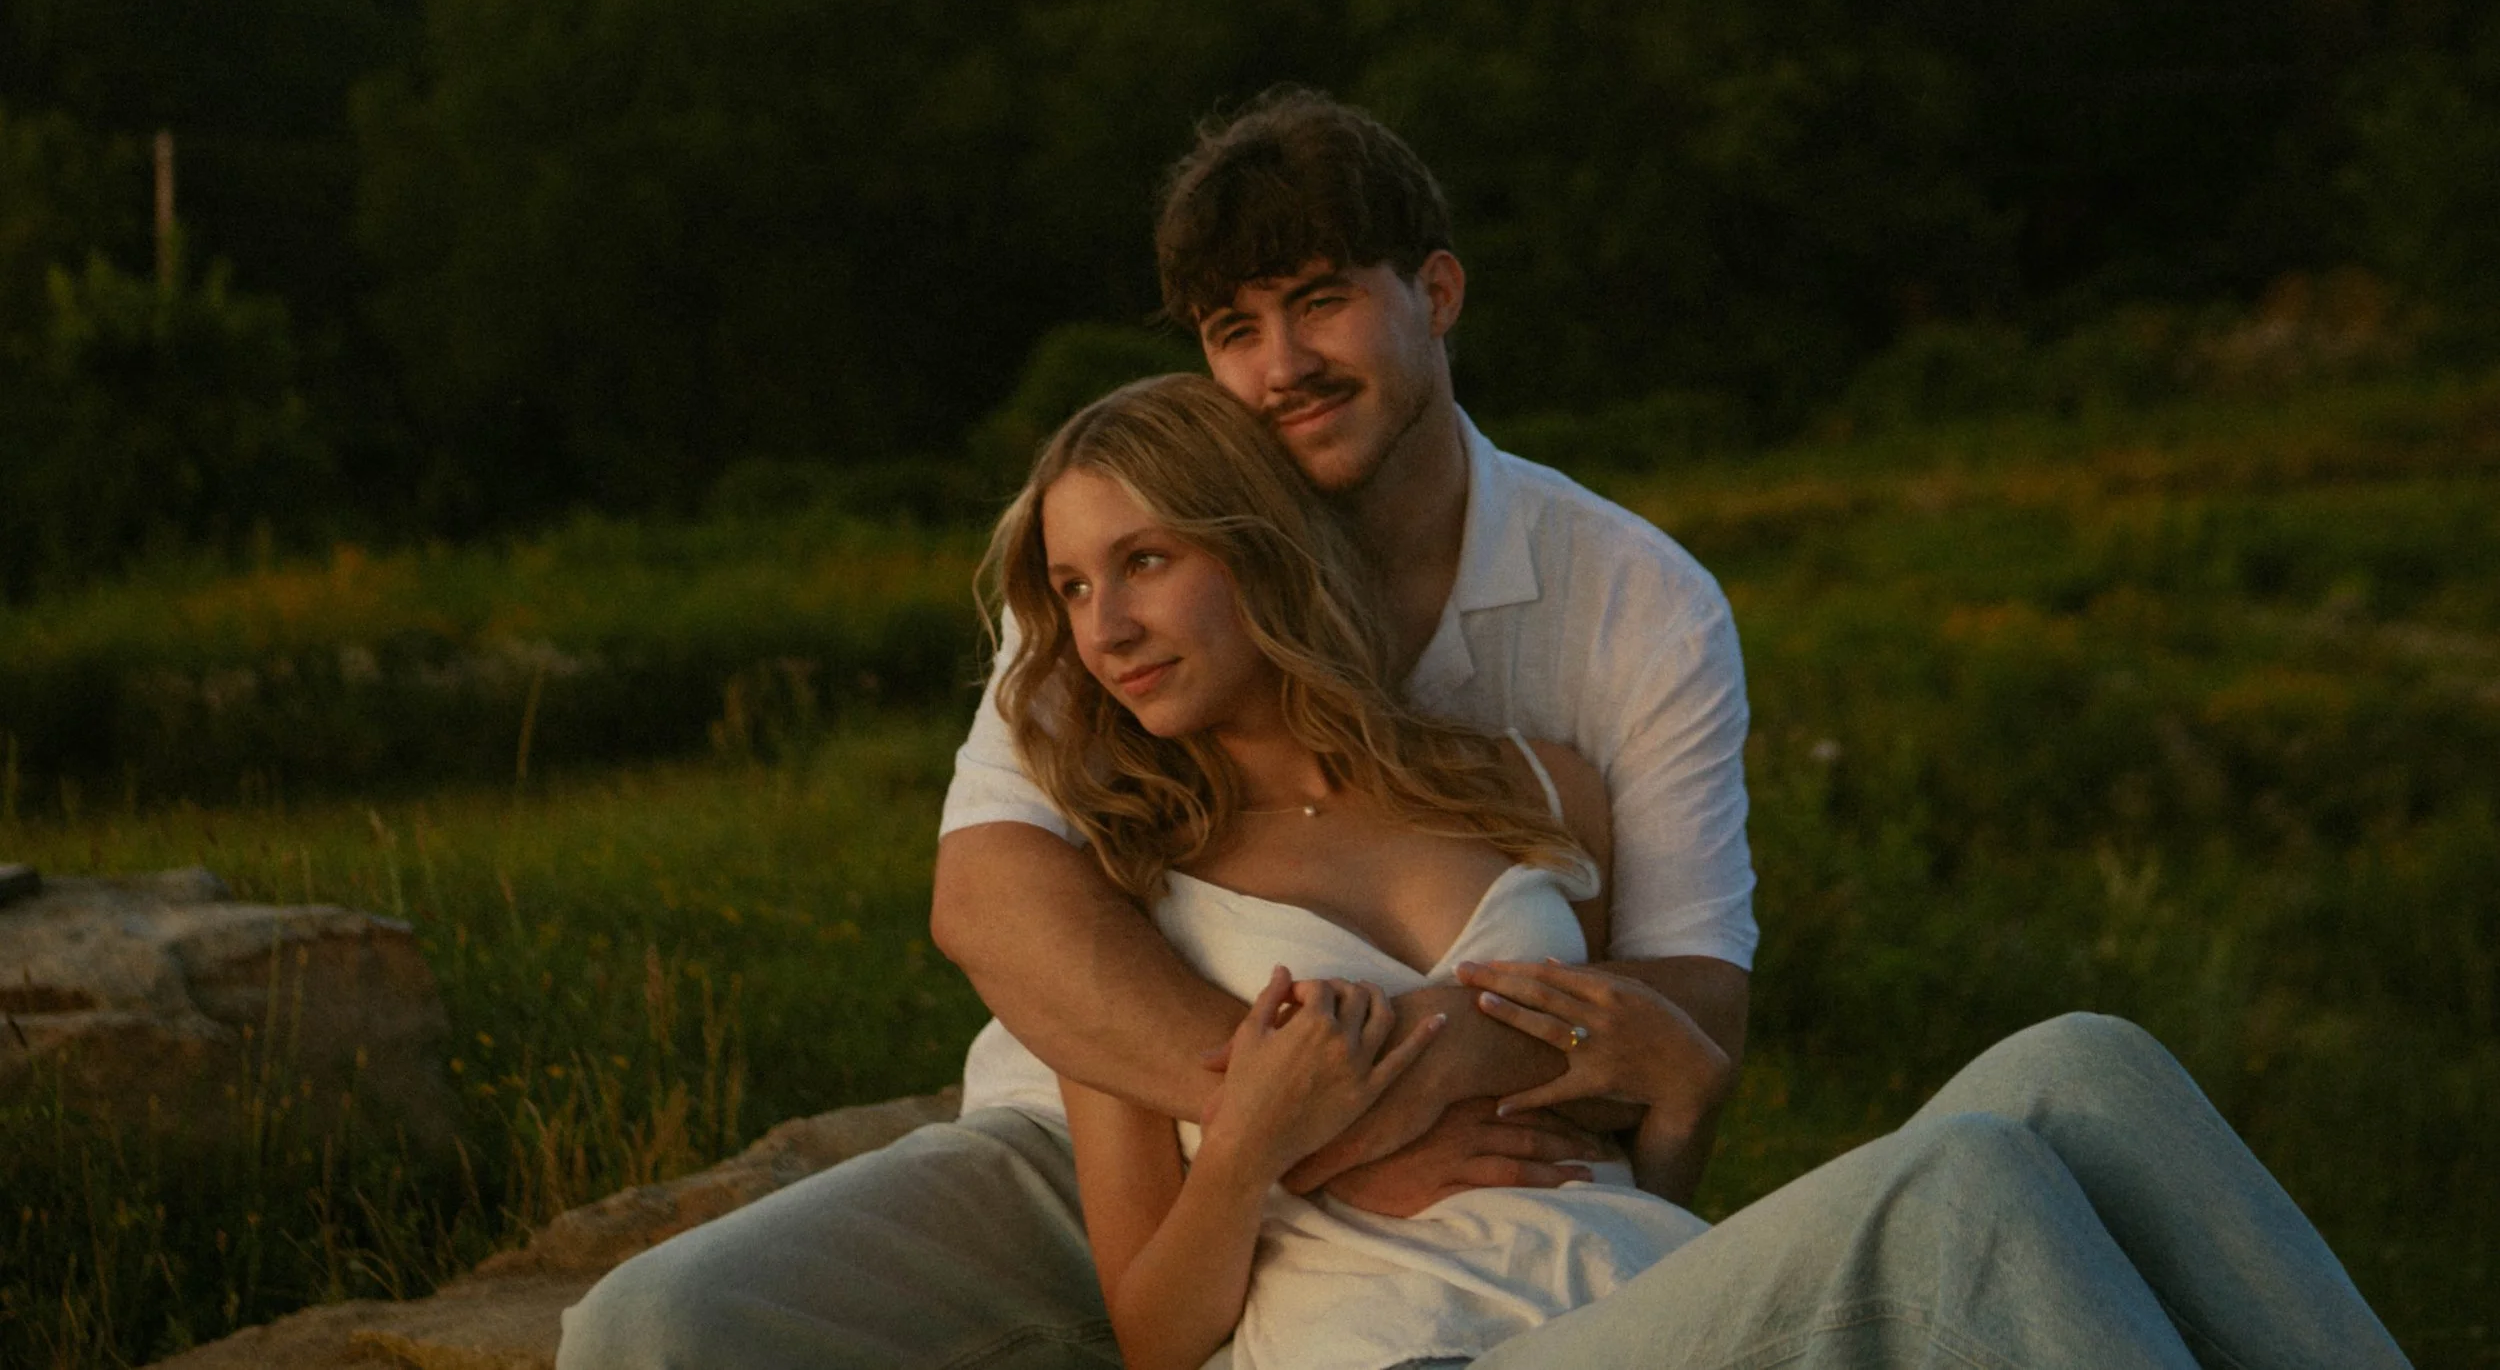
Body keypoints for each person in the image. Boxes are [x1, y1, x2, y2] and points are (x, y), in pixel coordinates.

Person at [562, 88, 1757, 1368]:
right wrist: (1300, 1137)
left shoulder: (1637, 602)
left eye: (1321, 299)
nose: (1282, 365)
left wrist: (1345, 1124)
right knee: (657, 1328)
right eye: (1234, 327)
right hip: (1087, 1155)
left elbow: (1684, 998)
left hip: (1465, 1232)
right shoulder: (1115, 583)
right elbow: (991, 898)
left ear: (1439, 294)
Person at [985, 372, 2409, 1370]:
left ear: (1255, 548)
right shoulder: (1122, 900)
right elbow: (1155, 1336)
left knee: (2088, 1063)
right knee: (1956, 1184)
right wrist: (1245, 1140)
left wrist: (1681, 1099)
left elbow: (1618, 1164)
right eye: (1071, 586)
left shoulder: (1533, 785)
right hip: (1415, 1348)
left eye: (1145, 561)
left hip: (1653, 1291)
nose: (1104, 624)